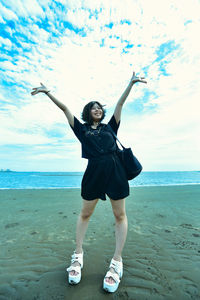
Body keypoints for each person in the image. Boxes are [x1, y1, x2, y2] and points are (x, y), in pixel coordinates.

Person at [31, 71, 147, 293]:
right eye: (93, 107)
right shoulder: (81, 130)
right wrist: (48, 93)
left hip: (115, 172)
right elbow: (65, 109)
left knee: (120, 215)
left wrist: (131, 84)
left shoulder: (111, 126)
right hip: (93, 173)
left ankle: (116, 262)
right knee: (85, 214)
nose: (98, 109)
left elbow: (120, 103)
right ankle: (77, 256)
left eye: (100, 107)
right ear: (88, 111)